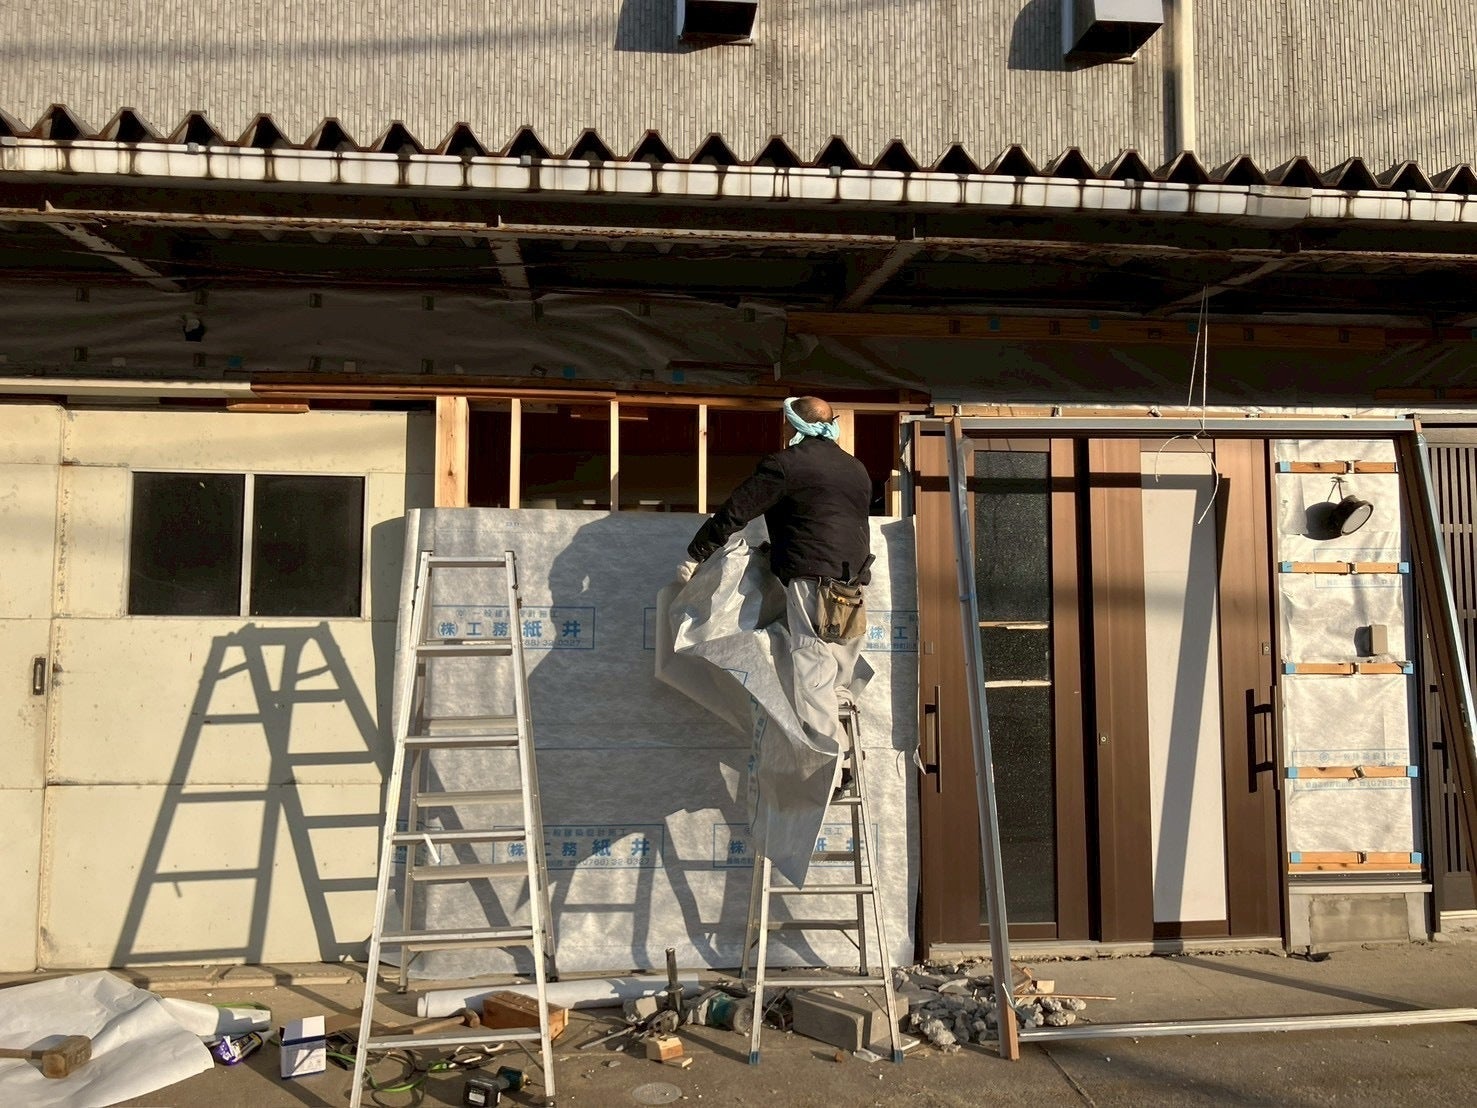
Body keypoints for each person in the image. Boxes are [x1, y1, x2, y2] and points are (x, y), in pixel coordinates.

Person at [686, 396, 872, 765]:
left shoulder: (786, 465)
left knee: (814, 671)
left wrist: (698, 552)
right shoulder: (855, 469)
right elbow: (823, 518)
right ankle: (849, 760)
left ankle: (828, 767)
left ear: (794, 423)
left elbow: (737, 509)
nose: (783, 428)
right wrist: (782, 548)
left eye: (785, 422)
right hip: (852, 584)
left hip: (814, 583)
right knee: (838, 676)